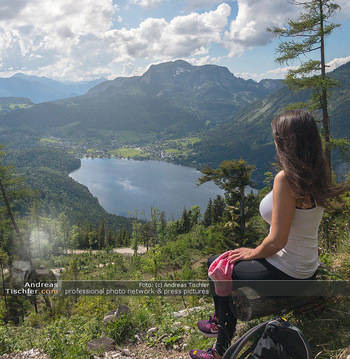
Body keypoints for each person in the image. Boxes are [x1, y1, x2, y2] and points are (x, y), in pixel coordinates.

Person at [189, 109, 345, 359]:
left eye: (276, 137)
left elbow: (277, 240)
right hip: (306, 267)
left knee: (217, 264)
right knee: (228, 261)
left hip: (288, 271)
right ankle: (219, 318)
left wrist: (253, 252)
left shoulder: (286, 179)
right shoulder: (317, 170)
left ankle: (219, 348)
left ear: (286, 142)